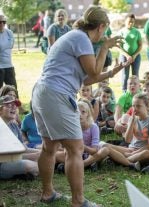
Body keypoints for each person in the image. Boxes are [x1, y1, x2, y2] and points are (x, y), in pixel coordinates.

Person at [31, 5, 128, 206]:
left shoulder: (75, 37)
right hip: (56, 94)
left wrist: (111, 73)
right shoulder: (82, 38)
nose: (105, 34)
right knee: (75, 149)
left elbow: (86, 80)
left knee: (49, 146)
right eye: (105, 30)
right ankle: (78, 201)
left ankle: (48, 194)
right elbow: (93, 72)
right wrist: (104, 47)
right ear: (101, 27)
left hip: (42, 92)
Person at [103, 93, 149, 170]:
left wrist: (133, 153)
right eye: (133, 106)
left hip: (144, 151)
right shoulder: (132, 119)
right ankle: (123, 160)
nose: (135, 108)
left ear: (147, 107)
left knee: (147, 154)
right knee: (105, 146)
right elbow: (127, 140)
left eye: (138, 106)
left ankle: (119, 160)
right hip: (131, 149)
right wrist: (131, 122)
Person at [0, 95, 39, 180]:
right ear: (0, 109)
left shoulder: (13, 125)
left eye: (15, 105)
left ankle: (20, 174)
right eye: (9, 105)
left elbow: (23, 148)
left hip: (13, 159)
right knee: (32, 165)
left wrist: (40, 153)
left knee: (41, 156)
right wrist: (31, 156)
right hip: (2, 163)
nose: (13, 108)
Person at [119, 14, 142, 92]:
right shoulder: (121, 32)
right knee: (125, 75)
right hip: (124, 56)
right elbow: (119, 47)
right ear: (125, 21)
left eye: (132, 22)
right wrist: (127, 56)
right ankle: (124, 92)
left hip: (136, 56)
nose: (131, 23)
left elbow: (140, 45)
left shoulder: (137, 32)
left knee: (135, 75)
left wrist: (134, 55)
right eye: (129, 22)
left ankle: (136, 92)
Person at [0, 15, 17, 90]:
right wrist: (7, 45)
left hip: (9, 66)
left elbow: (11, 45)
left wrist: (3, 46)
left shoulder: (9, 32)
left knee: (13, 90)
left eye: (4, 22)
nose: (2, 24)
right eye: (0, 22)